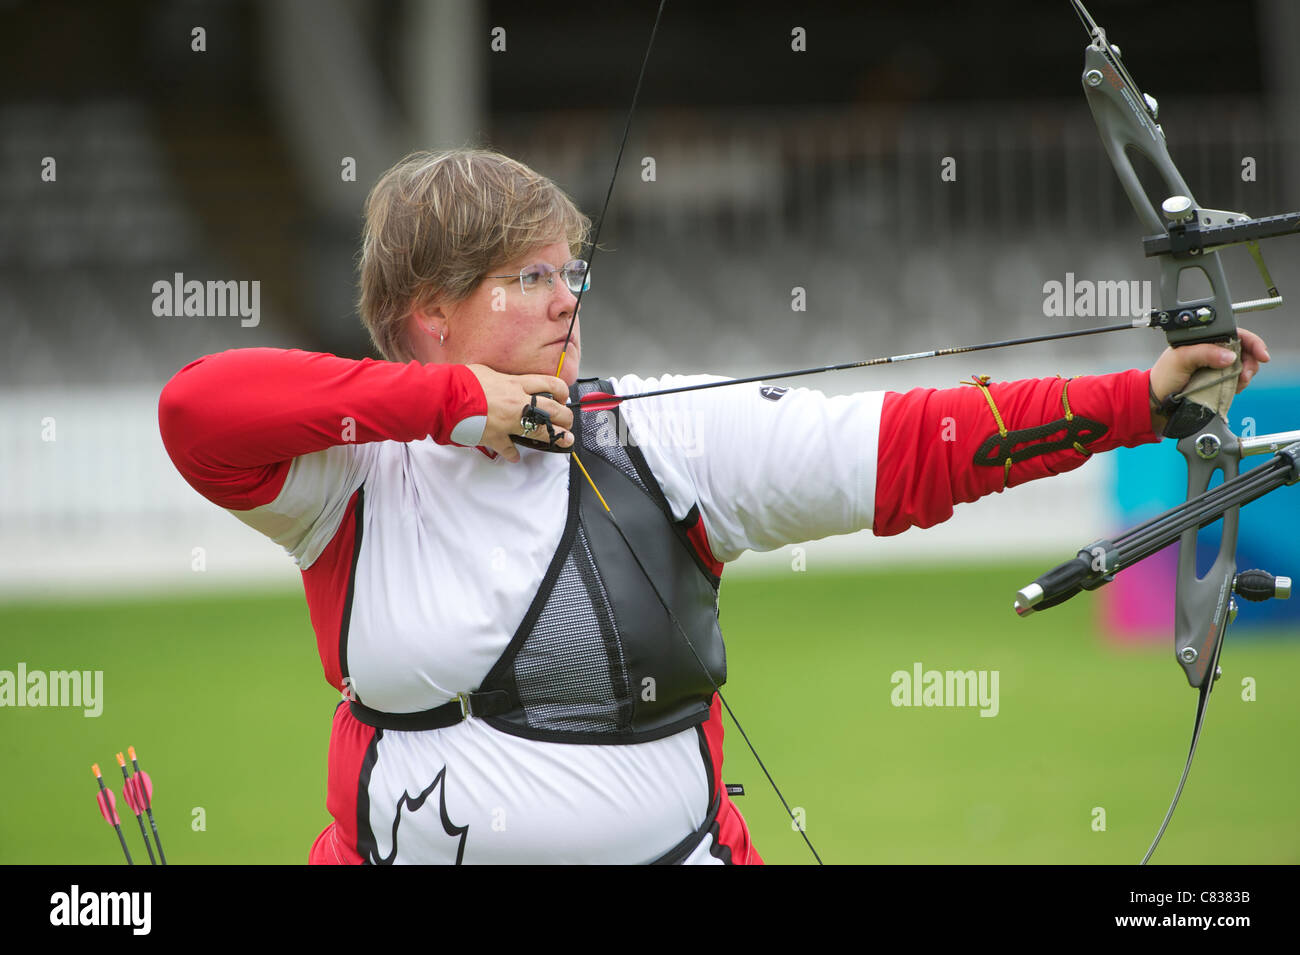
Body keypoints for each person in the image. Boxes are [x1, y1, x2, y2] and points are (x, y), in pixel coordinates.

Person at [157, 147, 1270, 864]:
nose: (567, 303)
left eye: (570, 273)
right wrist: (452, 407)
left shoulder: (658, 433)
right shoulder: (352, 478)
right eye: (530, 279)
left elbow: (907, 446)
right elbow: (199, 410)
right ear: (428, 314)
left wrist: (1142, 398)